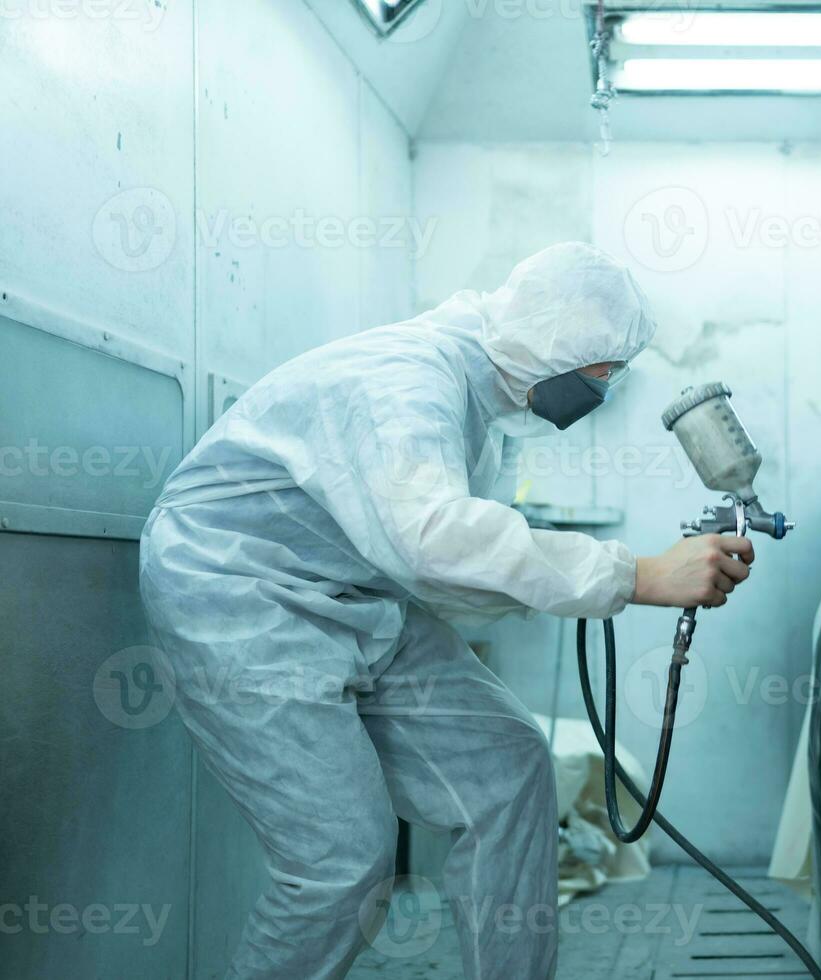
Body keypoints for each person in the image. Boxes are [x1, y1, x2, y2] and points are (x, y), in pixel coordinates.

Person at [139, 243, 755, 980]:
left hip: (358, 601)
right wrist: (636, 574)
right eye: (603, 374)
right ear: (554, 345)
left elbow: (439, 569)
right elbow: (434, 541)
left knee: (511, 768)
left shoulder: (473, 402)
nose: (605, 391)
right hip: (241, 595)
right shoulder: (405, 382)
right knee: (341, 866)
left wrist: (605, 578)